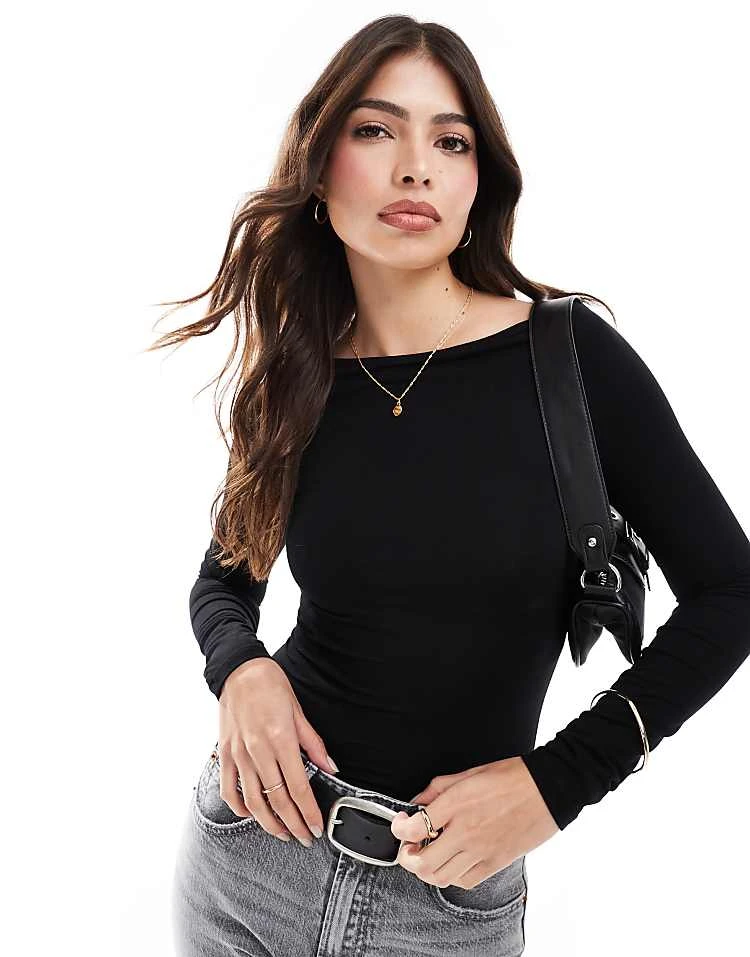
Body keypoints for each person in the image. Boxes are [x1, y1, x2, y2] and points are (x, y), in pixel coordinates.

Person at [150, 15, 750, 957]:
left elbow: (732, 592)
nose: (415, 168)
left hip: (446, 905)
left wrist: (558, 784)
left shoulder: (569, 358)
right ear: (320, 167)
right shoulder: (297, 375)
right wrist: (242, 670)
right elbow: (224, 581)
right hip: (249, 858)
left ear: (480, 180)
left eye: (451, 140)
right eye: (376, 130)